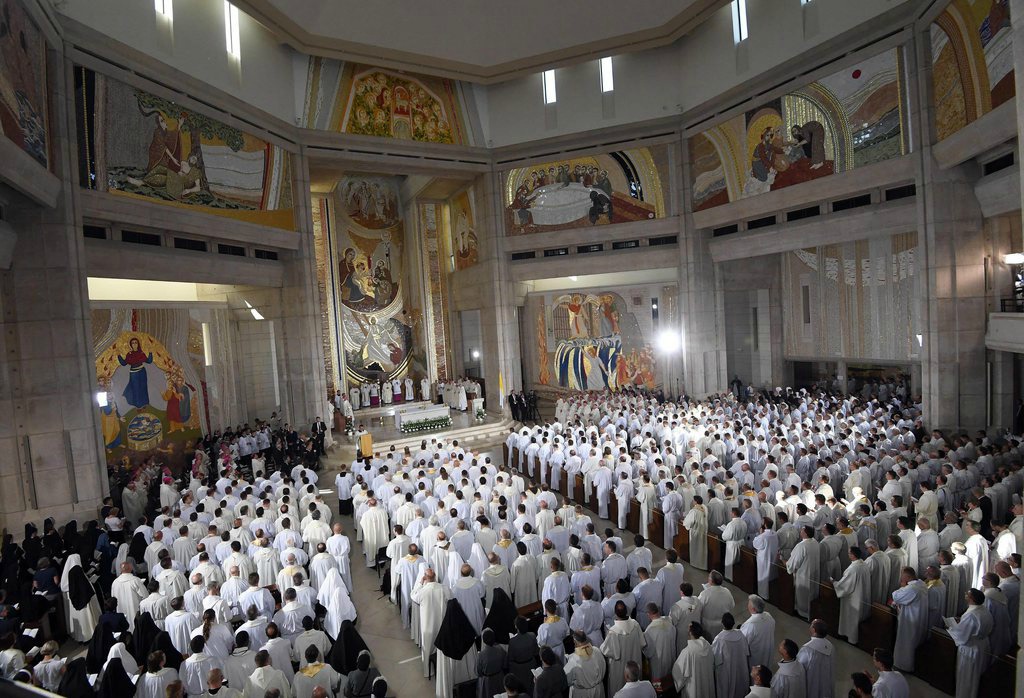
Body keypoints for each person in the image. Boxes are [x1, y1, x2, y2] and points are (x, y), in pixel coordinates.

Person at [945, 588, 993, 698]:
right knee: (976, 676)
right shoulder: (984, 610)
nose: (965, 595)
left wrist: (951, 627)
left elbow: (962, 636)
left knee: (967, 676)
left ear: (971, 599)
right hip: (982, 645)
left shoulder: (971, 615)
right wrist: (961, 622)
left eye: (967, 594)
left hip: (970, 648)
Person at [601, 600, 645, 697]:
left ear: (615, 613)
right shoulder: (635, 625)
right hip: (634, 664)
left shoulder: (613, 632)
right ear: (626, 611)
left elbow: (605, 650)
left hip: (619, 667)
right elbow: (642, 643)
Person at [889, 567, 928, 672]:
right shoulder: (922, 584)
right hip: (918, 617)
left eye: (902, 575)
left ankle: (903, 666)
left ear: (908, 577)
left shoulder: (912, 589)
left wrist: (902, 587)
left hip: (910, 620)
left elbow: (896, 597)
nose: (901, 577)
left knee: (906, 642)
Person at [833, 546, 870, 644]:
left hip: (853, 598)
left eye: (849, 553)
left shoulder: (853, 569)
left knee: (851, 617)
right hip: (861, 595)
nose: (848, 554)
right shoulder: (864, 564)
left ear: (853, 555)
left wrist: (834, 583)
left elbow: (845, 585)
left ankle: (850, 638)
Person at [672, 621, 715, 698]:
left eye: (688, 629)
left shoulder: (687, 652)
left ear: (691, 633)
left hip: (694, 688)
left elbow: (678, 671)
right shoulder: (708, 646)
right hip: (707, 685)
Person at [712, 612, 750, 698]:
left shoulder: (719, 638)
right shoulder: (740, 634)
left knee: (727, 688)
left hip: (726, 669)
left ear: (722, 623)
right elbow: (746, 651)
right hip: (740, 666)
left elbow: (715, 658)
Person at [787, 526, 820, 620]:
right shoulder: (815, 542)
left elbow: (794, 563)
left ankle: (802, 612)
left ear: (805, 533)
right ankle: (810, 611)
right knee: (811, 592)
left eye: (802, 530)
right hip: (813, 572)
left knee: (803, 594)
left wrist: (787, 565)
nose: (800, 531)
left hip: (804, 574)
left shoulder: (802, 545)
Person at [796, 620, 834, 698]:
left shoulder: (808, 649)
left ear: (813, 630)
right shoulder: (830, 646)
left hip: (812, 681)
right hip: (825, 681)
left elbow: (799, 667)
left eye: (811, 625)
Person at [564, 630, 606, 698]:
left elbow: (567, 679)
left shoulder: (573, 660)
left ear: (574, 641)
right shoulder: (597, 650)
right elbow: (604, 665)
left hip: (582, 694)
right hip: (598, 690)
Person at [740, 594, 775, 669]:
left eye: (748, 604)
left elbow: (743, 642)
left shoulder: (751, 625)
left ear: (753, 609)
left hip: (756, 655)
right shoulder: (769, 616)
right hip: (767, 651)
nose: (747, 606)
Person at [698, 570, 734, 637]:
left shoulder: (705, 594)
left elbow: (698, 608)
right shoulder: (727, 591)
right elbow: (732, 605)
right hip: (721, 624)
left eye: (709, 577)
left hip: (708, 625)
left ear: (711, 581)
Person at [476, 628, 507, 698]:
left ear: (483, 640)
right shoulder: (500, 649)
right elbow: (505, 664)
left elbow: (478, 672)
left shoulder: (481, 655)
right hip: (500, 678)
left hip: (488, 681)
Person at [683, 497, 708, 569]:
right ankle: (703, 564)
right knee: (702, 547)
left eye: (693, 500)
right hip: (703, 530)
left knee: (696, 547)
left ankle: (695, 563)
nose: (692, 502)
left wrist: (684, 522)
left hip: (696, 531)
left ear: (696, 502)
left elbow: (688, 522)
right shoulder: (704, 507)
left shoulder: (694, 511)